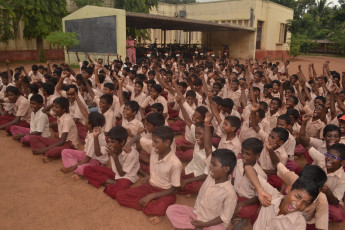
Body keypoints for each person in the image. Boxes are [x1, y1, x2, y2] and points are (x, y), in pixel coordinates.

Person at [116, 126, 182, 225]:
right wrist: (129, 144)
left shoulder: (175, 163)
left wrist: (152, 195)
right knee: (120, 196)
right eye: (153, 141)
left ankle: (155, 206)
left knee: (159, 208)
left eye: (156, 142)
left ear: (167, 143)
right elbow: (138, 138)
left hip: (166, 192)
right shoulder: (154, 148)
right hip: (150, 186)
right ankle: (153, 207)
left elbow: (175, 189)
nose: (153, 144)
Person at [166, 149, 237, 230]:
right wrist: (200, 224)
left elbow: (224, 218)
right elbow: (207, 148)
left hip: (212, 223)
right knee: (171, 210)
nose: (210, 167)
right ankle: (194, 227)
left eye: (214, 165)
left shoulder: (230, 193)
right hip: (197, 214)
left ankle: (189, 227)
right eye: (211, 163)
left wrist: (205, 224)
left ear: (226, 169)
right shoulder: (211, 176)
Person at [83, 126, 140, 199]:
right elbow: (97, 153)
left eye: (112, 142)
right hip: (115, 172)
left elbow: (122, 173)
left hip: (127, 177)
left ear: (122, 142)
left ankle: (106, 183)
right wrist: (95, 137)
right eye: (108, 141)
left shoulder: (131, 154)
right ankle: (112, 182)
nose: (109, 144)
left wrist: (115, 157)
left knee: (115, 193)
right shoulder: (111, 146)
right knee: (87, 169)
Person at [29, 97, 78, 162]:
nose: (53, 109)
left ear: (63, 109)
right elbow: (43, 111)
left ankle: (48, 152)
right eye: (54, 106)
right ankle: (48, 151)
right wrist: (54, 102)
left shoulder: (67, 119)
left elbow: (62, 141)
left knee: (52, 152)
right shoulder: (59, 114)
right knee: (33, 138)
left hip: (69, 144)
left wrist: (45, 149)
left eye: (56, 107)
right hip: (60, 141)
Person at [60, 112, 108, 176]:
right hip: (87, 155)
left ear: (89, 125)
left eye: (87, 120)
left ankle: (78, 168)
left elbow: (87, 159)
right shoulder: (92, 130)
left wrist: (71, 168)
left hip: (96, 161)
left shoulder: (94, 137)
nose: (85, 121)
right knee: (65, 152)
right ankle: (77, 167)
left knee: (81, 169)